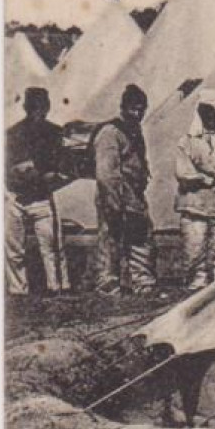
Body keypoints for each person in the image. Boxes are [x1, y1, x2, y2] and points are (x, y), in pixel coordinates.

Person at [174, 89, 215, 290]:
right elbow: (183, 173)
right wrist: (213, 174)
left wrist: (204, 168)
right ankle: (195, 292)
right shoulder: (186, 141)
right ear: (200, 112)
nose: (211, 116)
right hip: (194, 206)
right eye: (207, 111)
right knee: (194, 254)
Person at [5, 87, 68, 295]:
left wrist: (34, 171)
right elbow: (9, 167)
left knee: (51, 246)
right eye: (33, 108)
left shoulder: (55, 133)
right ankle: (18, 290)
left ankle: (56, 287)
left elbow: (56, 167)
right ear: (26, 108)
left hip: (41, 197)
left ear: (48, 108)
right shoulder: (13, 133)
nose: (38, 112)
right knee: (14, 250)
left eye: (41, 108)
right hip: (16, 196)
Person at [94, 84, 156, 295]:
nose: (137, 113)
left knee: (140, 235)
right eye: (133, 108)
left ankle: (143, 282)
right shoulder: (110, 133)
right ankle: (108, 283)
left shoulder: (135, 131)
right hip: (115, 193)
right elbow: (106, 172)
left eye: (141, 109)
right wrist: (113, 202)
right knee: (111, 237)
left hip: (134, 194)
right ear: (123, 108)